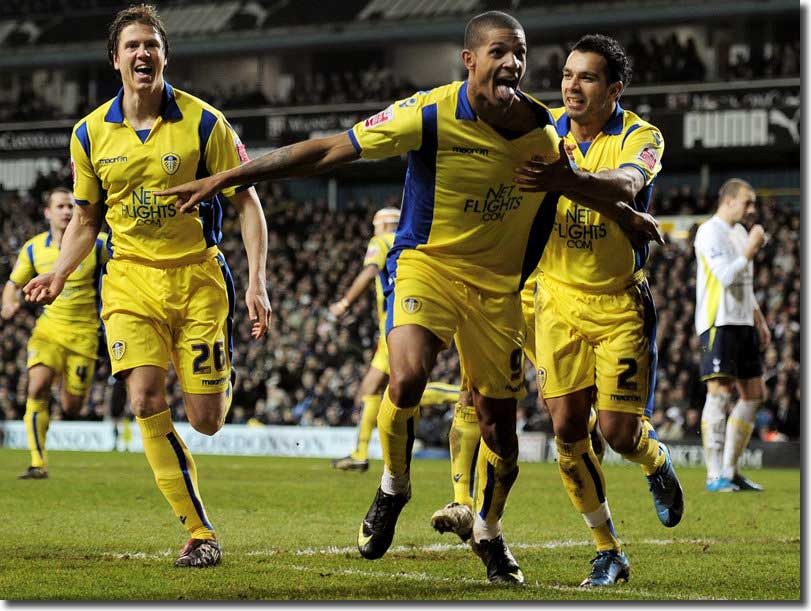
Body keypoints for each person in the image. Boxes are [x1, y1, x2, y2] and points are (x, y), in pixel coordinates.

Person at [155, 11, 658, 584]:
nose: (512, 62)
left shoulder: (540, 130)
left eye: (519, 51)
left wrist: (627, 214)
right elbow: (328, 151)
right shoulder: (428, 113)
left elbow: (570, 189)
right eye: (498, 51)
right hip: (428, 266)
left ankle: (490, 534)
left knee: (502, 437)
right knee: (408, 375)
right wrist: (227, 177)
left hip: (496, 290)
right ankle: (393, 487)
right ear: (469, 60)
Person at [23, 4, 270, 568]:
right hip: (130, 280)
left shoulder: (206, 123)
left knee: (207, 420)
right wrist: (59, 274)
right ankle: (199, 532)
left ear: (165, 56)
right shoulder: (88, 134)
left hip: (199, 279)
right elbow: (86, 221)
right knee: (144, 398)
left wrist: (257, 281)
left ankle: (213, 377)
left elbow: (248, 201)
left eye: (151, 45)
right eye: (132, 45)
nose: (142, 54)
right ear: (115, 59)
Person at [510, 34, 684, 587]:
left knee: (617, 433)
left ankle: (653, 458)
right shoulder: (542, 129)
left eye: (586, 77)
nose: (571, 86)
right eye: (566, 74)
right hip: (555, 297)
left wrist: (572, 183)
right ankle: (608, 549)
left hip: (618, 303)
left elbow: (629, 183)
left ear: (615, 88)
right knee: (566, 428)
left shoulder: (641, 135)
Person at [329, 206, 460, 473]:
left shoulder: (381, 241)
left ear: (383, 225)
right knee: (371, 388)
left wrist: (344, 303)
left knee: (400, 389)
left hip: (394, 326)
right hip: (408, 319)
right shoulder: (414, 241)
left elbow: (368, 273)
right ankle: (360, 454)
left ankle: (461, 395)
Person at [2, 187, 107, 479]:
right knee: (36, 388)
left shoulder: (98, 245)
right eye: (60, 206)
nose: (67, 211)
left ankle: (66, 382)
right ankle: (38, 463)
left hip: (85, 336)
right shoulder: (34, 248)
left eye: (72, 206)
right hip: (49, 331)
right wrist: (8, 301)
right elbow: (13, 283)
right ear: (47, 212)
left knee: (73, 406)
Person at [694, 178, 769, 492]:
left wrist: (759, 320)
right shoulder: (709, 232)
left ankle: (730, 470)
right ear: (728, 200)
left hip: (743, 322)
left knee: (754, 396)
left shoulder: (738, 232)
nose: (751, 209)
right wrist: (750, 251)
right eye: (747, 202)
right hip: (718, 322)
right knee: (720, 394)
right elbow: (724, 276)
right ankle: (714, 475)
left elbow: (745, 284)